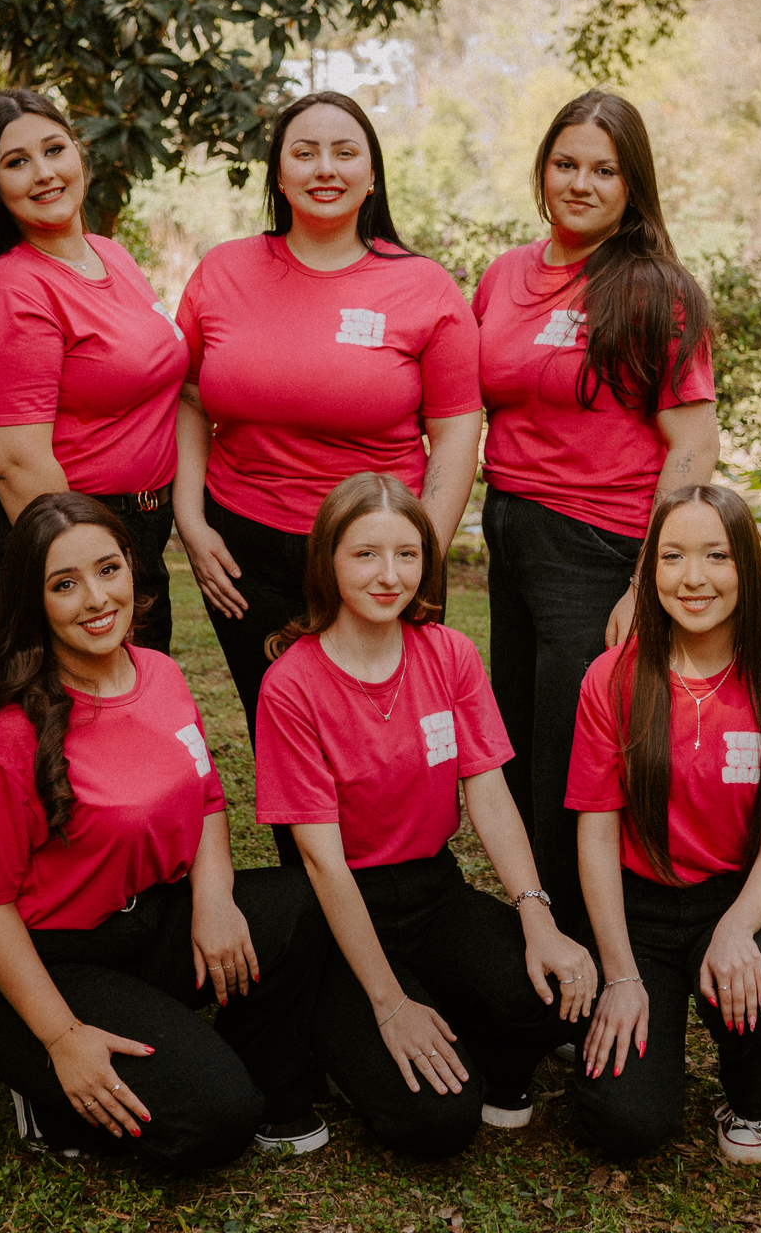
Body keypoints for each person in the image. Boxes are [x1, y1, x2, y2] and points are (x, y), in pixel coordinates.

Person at [0, 491, 330, 1170]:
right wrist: (62, 1037)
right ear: (34, 600)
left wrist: (214, 898)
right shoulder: (9, 738)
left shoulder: (164, 676)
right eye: (64, 584)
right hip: (56, 960)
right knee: (217, 1120)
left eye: (108, 569)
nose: (96, 599)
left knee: (301, 904)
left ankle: (237, 1064)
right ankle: (46, 1094)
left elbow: (207, 799)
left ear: (131, 569)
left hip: (153, 924)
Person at [254, 472, 597, 1159]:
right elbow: (322, 861)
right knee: (437, 1123)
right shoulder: (291, 684)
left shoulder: (449, 653)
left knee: (558, 992)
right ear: (327, 561)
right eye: (366, 554)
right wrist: (388, 1004)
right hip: (345, 908)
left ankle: (451, 1028)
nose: (390, 575)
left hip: (435, 891)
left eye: (406, 554)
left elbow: (489, 793)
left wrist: (538, 919)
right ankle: (340, 1030)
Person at [474, 89, 720, 934]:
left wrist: (646, 580)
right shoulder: (505, 274)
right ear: (543, 170)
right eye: (566, 164)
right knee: (515, 737)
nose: (580, 184)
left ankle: (586, 946)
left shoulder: (654, 290)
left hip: (597, 549)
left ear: (631, 184)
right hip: (511, 532)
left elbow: (692, 443)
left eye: (604, 170)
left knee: (568, 758)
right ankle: (539, 922)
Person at [174, 91, 482, 766]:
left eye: (345, 153)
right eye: (305, 152)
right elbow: (190, 395)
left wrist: (422, 552)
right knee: (282, 738)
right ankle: (305, 843)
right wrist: (191, 520)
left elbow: (458, 429)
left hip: (378, 550)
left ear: (371, 176)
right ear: (279, 174)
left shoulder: (424, 286)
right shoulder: (222, 272)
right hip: (245, 551)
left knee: (385, 744)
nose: (325, 168)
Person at [568, 483, 761, 1164]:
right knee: (625, 1125)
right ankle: (648, 1047)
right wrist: (619, 974)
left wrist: (738, 928)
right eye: (672, 556)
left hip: (733, 897)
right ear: (650, 570)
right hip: (639, 911)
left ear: (747, 567)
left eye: (716, 555)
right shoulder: (611, 678)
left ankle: (752, 1098)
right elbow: (596, 831)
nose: (693, 578)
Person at [0, 89, 189, 693]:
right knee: (62, 731)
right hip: (42, 538)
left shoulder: (110, 256)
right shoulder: (9, 292)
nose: (43, 173)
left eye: (54, 150)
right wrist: (84, 578)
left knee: (126, 723)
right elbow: (16, 464)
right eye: (16, 162)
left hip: (128, 533)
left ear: (80, 154)